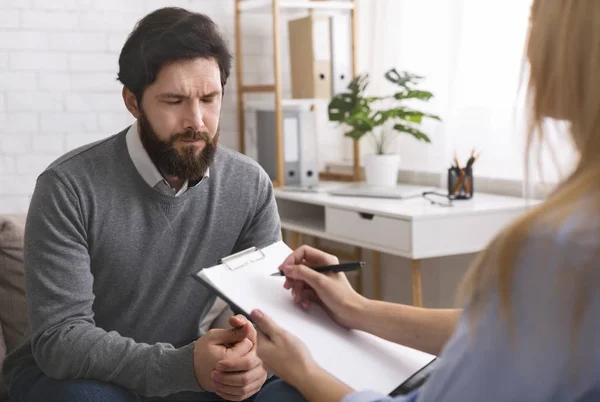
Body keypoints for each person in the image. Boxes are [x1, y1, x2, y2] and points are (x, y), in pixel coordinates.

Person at [251, 1, 600, 401]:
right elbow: (498, 332)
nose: (527, 48)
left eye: (535, 20)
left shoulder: (564, 249)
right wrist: (356, 308)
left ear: (574, 44)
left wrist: (303, 370)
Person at [3, 7, 281, 402]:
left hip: (186, 369)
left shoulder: (248, 185)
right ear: (133, 102)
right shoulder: (67, 186)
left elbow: (269, 317)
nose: (197, 121)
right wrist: (182, 367)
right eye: (174, 101)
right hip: (74, 375)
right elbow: (60, 339)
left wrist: (257, 361)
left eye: (209, 98)